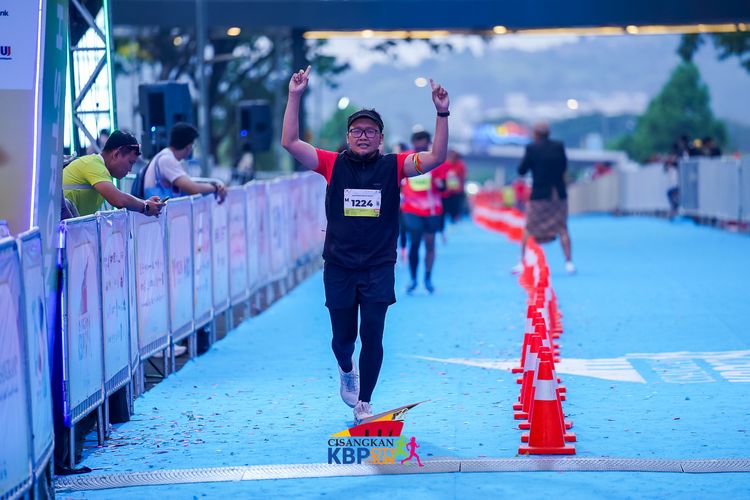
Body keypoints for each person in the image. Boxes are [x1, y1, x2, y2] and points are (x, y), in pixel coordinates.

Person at [281, 65, 449, 423]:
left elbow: (436, 158)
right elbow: (290, 143)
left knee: (373, 334)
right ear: (348, 136)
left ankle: (365, 402)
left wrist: (441, 113)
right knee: (343, 339)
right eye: (356, 130)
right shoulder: (331, 164)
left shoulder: (395, 166)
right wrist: (294, 96)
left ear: (380, 138)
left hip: (378, 266)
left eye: (370, 131)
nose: (363, 136)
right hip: (339, 266)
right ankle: (346, 369)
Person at [513, 122, 575, 274]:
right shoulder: (559, 146)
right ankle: (569, 262)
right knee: (562, 228)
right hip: (558, 194)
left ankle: (522, 262)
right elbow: (564, 167)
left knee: (529, 228)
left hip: (539, 195)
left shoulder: (532, 149)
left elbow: (522, 170)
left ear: (535, 134)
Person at [63, 130, 164, 217]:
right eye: (130, 162)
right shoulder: (93, 165)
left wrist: (145, 203)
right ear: (116, 154)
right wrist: (145, 207)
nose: (130, 169)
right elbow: (119, 199)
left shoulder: (99, 170)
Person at [401, 131, 445, 294]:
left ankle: (427, 278)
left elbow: (444, 185)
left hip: (432, 210)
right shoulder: (405, 158)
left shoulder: (436, 159)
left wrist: (441, 184)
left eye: (424, 141)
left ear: (429, 143)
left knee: (430, 243)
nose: (421, 144)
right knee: (414, 243)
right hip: (411, 209)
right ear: (413, 143)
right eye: (417, 141)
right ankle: (413, 279)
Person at [143, 122, 227, 203]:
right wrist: (215, 188)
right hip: (159, 211)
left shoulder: (165, 156)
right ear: (188, 146)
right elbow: (193, 189)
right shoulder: (167, 159)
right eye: (193, 145)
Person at [433, 149, 466, 224]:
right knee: (443, 212)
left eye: (455, 157)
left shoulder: (460, 165)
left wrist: (461, 189)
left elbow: (462, 178)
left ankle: (455, 219)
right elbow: (437, 178)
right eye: (451, 157)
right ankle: (442, 224)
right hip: (444, 193)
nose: (453, 159)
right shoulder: (443, 164)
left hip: (455, 192)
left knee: (455, 211)